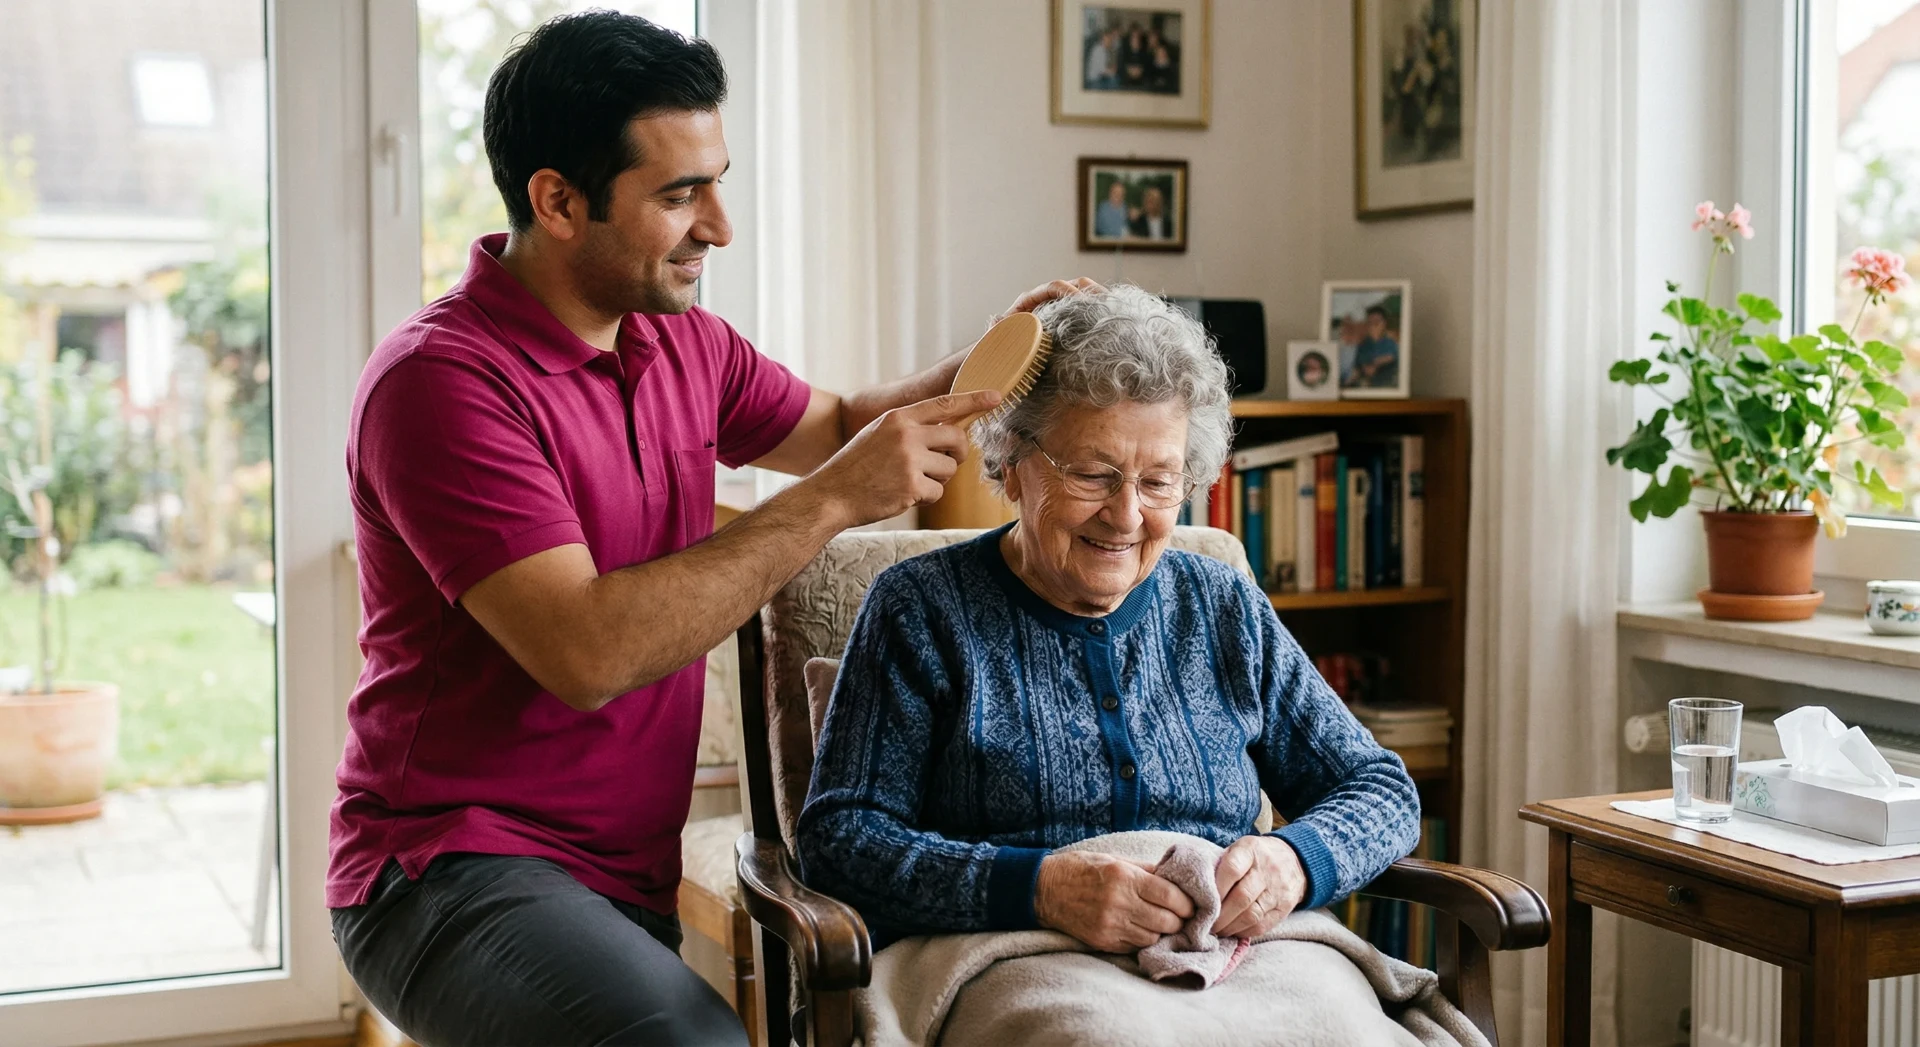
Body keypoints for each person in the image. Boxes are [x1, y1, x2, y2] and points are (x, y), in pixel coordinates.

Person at [325, 12, 1100, 1046]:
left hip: (619, 868)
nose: (720, 226)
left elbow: (833, 424)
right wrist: (830, 500)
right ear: (557, 199)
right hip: (444, 868)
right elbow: (589, 652)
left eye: (718, 180)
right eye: (680, 194)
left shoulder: (681, 340)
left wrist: (999, 359)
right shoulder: (441, 385)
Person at [796, 285, 1419, 964]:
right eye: (1093, 474)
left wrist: (1293, 861)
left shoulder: (1222, 606)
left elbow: (1381, 790)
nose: (1126, 517)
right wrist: (1038, 887)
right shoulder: (919, 608)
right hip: (1022, 961)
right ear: (1010, 463)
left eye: (1158, 483)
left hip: (1242, 962)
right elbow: (841, 839)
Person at [1347, 304, 1401, 388]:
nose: (1373, 325)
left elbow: (1389, 357)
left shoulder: (1391, 344)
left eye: (1377, 322)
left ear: (1384, 323)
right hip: (1366, 389)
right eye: (1370, 322)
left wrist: (1375, 364)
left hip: (1387, 387)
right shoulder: (1362, 346)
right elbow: (1357, 368)